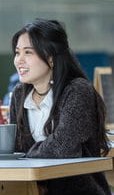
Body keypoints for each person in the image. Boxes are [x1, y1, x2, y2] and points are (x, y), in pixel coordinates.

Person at [10, 19, 110, 194]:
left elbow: (63, 147)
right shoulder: (20, 94)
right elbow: (15, 149)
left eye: (28, 53)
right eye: (17, 53)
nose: (19, 60)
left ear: (51, 58)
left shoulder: (77, 91)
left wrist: (27, 154)